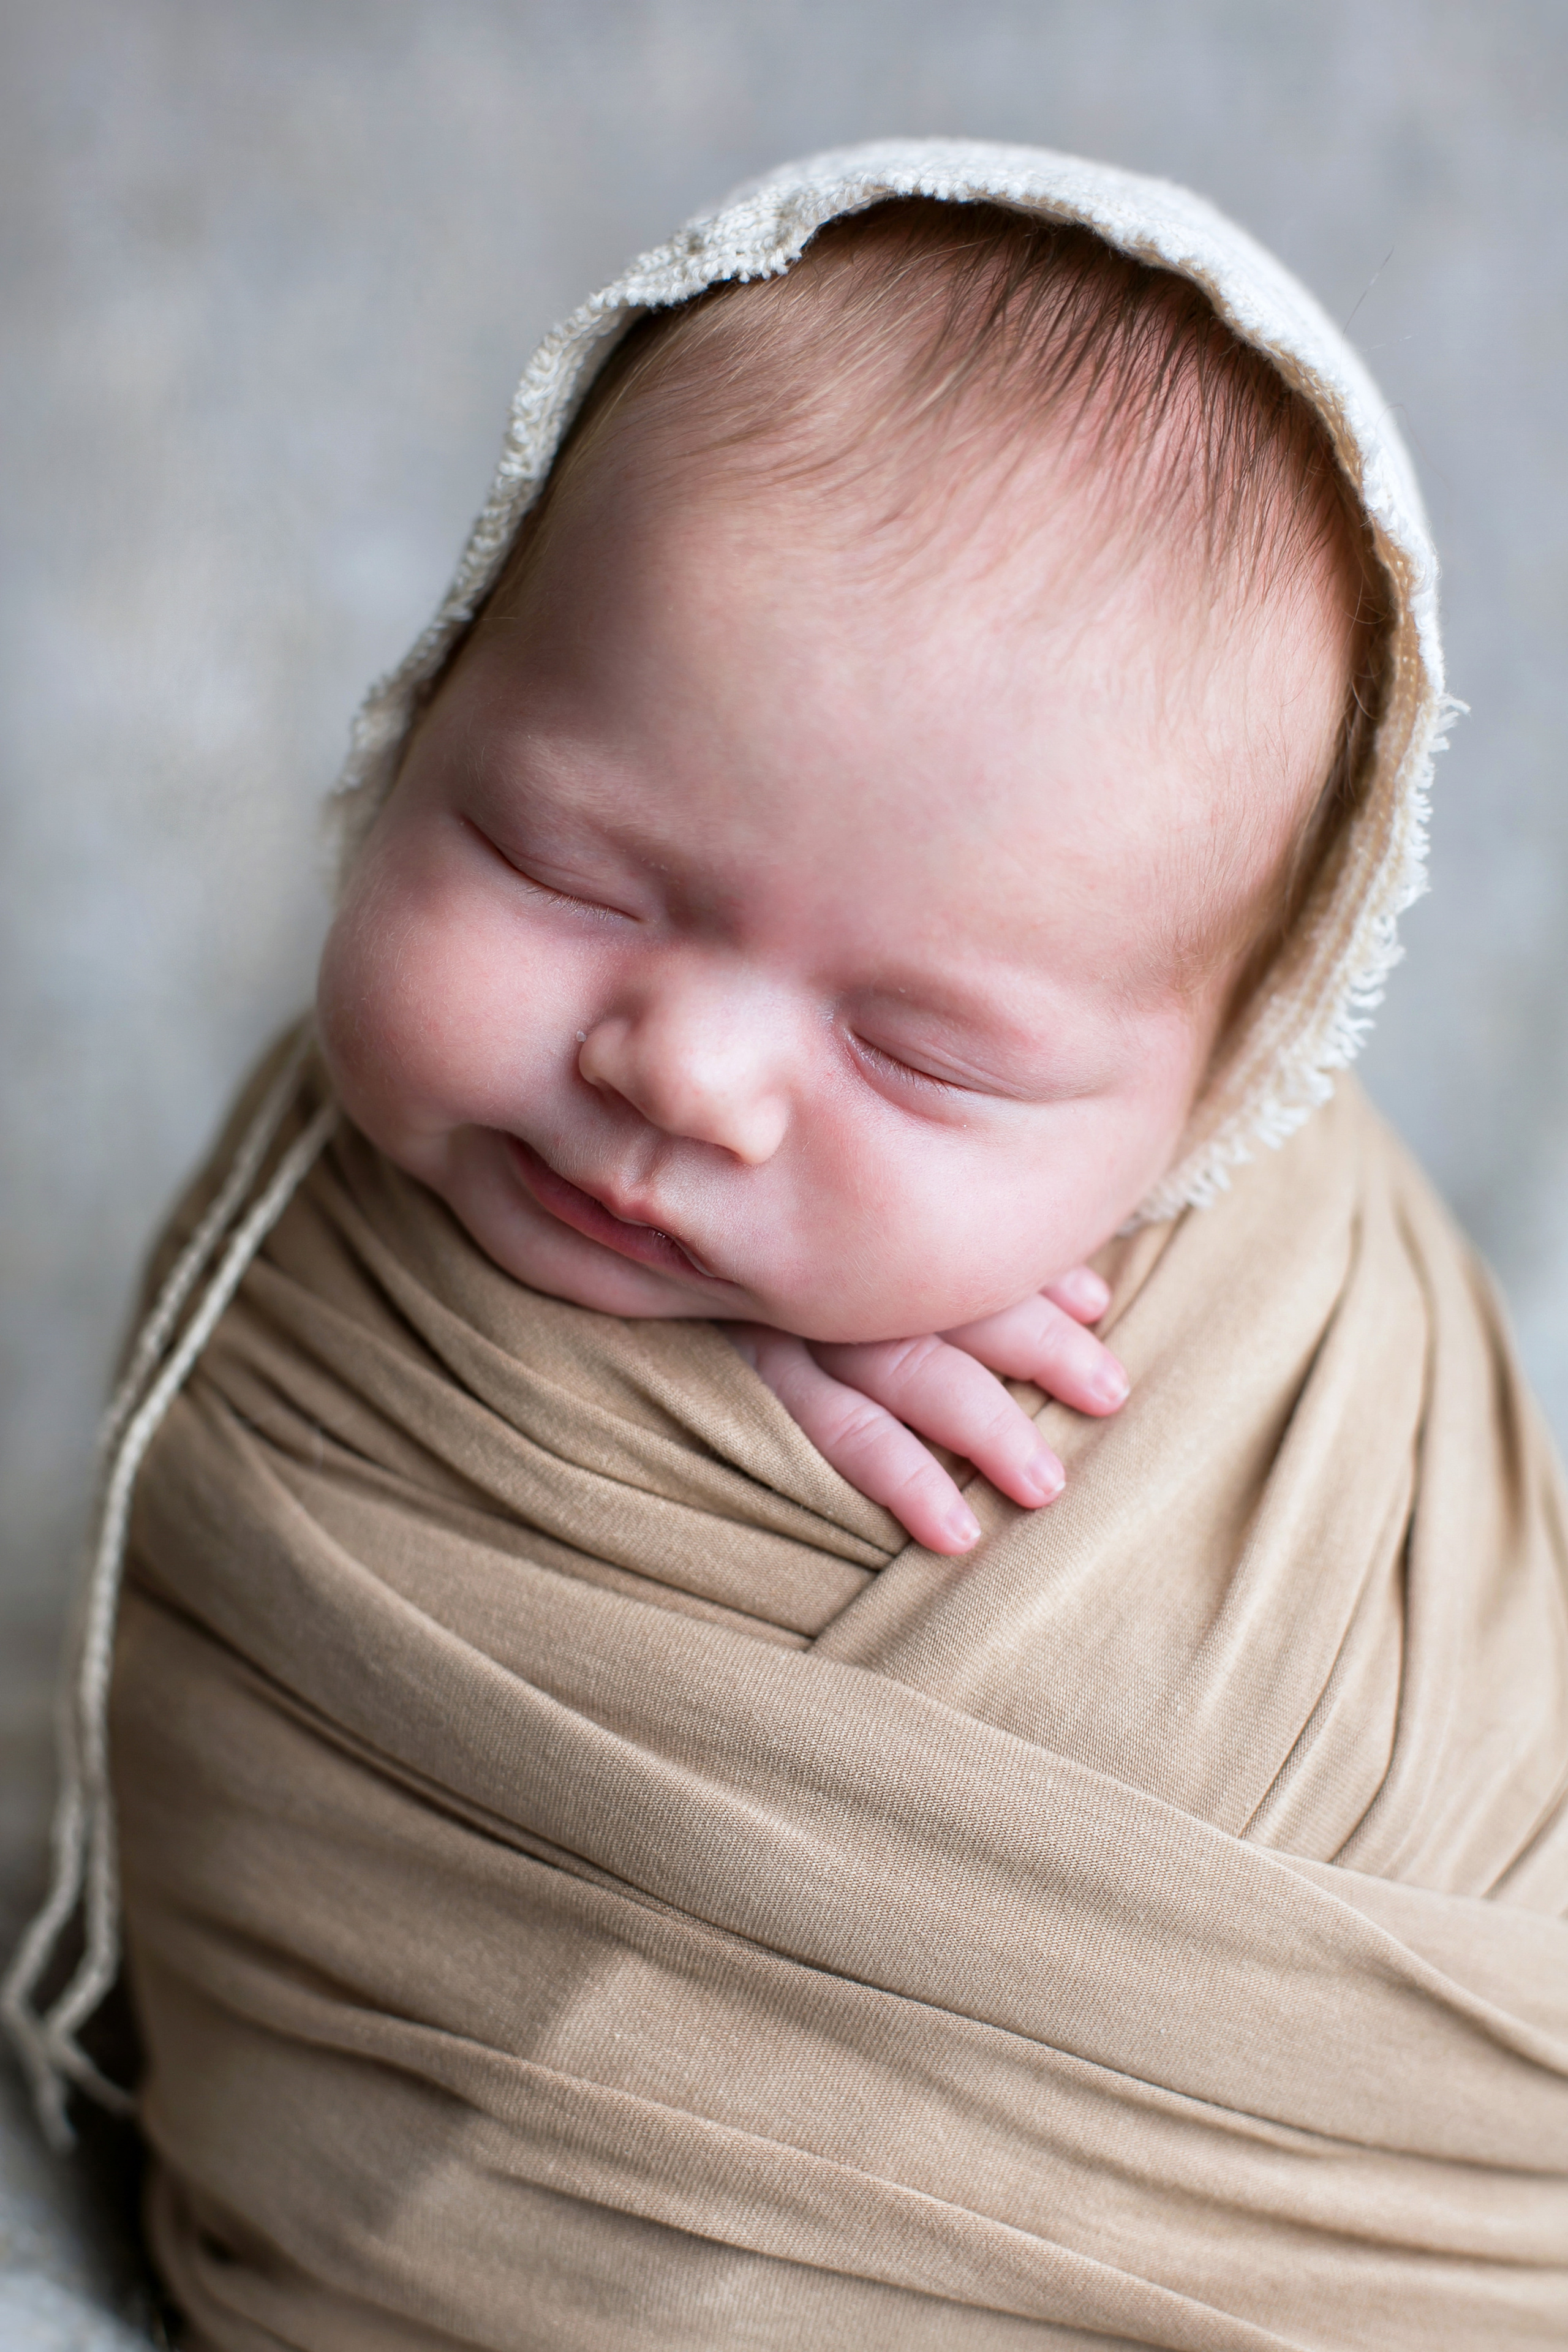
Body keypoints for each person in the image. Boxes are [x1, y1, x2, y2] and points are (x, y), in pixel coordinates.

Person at [7, 141, 1567, 2351]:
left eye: (920, 1055)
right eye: (567, 867)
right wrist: (683, 1387)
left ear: (1215, 1107)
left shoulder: (1281, 1379)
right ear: (425, 708)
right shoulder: (314, 1261)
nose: (689, 1075)